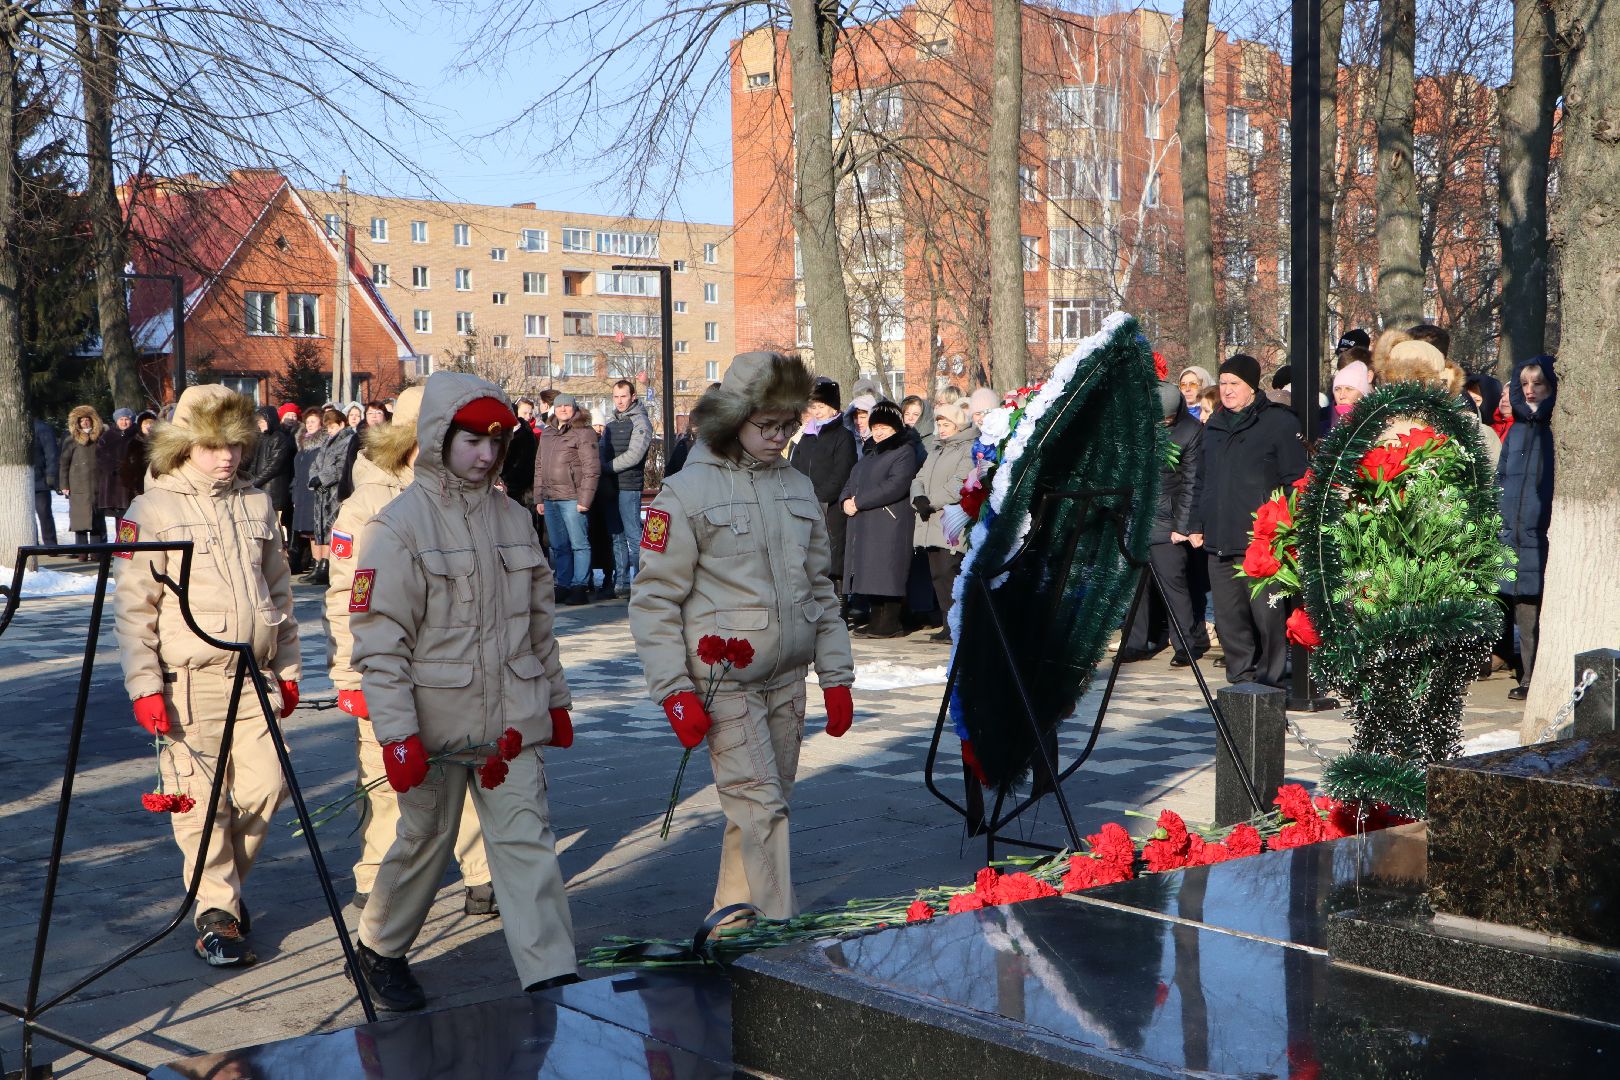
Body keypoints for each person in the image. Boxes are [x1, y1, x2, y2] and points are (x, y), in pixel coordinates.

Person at [348, 371, 577, 1010]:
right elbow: (380, 642)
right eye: (471, 439)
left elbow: (538, 627)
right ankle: (380, 947)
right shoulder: (396, 526)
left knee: (527, 839)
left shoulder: (514, 518)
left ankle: (550, 972)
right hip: (435, 723)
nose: (484, 454)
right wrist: (396, 737)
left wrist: (554, 700)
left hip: (512, 718)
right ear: (439, 437)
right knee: (425, 841)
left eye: (496, 441)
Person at [628, 351, 855, 924]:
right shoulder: (684, 493)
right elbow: (654, 600)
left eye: (788, 424)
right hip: (722, 678)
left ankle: (732, 920)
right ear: (733, 419)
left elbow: (819, 588)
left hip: (787, 675)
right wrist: (674, 690)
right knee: (761, 808)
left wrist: (836, 676)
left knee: (762, 805)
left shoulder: (799, 488)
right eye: (766, 425)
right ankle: (784, 936)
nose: (779, 437)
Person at [113, 385, 300, 967]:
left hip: (254, 679)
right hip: (187, 684)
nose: (228, 457)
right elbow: (133, 609)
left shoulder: (257, 505)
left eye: (236, 445)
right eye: (214, 445)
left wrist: (289, 668)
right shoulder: (151, 511)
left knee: (267, 786)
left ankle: (222, 890)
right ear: (184, 444)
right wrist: (145, 686)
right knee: (200, 803)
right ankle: (216, 911)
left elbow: (280, 592)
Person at [323, 386, 496, 916]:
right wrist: (351, 678)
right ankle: (376, 873)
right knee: (382, 776)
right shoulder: (369, 504)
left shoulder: (479, 495)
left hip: (458, 665)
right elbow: (347, 597)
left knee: (468, 767)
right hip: (390, 667)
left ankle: (481, 872)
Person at [1188, 354, 1307, 687]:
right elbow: (1201, 478)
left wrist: (1287, 529)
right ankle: (1241, 679)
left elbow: (1295, 480)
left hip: (1262, 539)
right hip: (1219, 536)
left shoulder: (1279, 423)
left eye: (1234, 384)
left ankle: (1270, 680)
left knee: (1267, 615)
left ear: (1252, 387)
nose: (1226, 391)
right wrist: (1196, 523)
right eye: (1223, 383)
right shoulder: (1213, 424)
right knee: (1228, 618)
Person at [1120, 384, 1209, 665]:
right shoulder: (1138, 427)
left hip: (1168, 520)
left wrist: (1181, 527)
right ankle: (1135, 641)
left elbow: (1192, 484)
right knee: (1136, 585)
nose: (1163, 423)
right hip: (1137, 516)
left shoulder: (1190, 431)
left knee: (1174, 585)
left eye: (1168, 419)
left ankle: (1185, 643)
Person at [1497, 356, 1556, 702]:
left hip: (1543, 532)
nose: (1531, 391)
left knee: (1542, 606)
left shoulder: (1556, 428)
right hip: (1514, 534)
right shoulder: (1516, 430)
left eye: (1539, 384)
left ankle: (1541, 675)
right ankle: (1528, 676)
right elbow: (1501, 478)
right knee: (1523, 607)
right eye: (1525, 384)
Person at [841, 400, 922, 639]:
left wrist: (859, 501)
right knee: (871, 573)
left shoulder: (903, 451)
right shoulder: (870, 453)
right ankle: (877, 620)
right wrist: (845, 499)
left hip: (889, 522)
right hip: (868, 522)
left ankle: (889, 622)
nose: (878, 431)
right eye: (875, 426)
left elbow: (895, 485)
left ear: (896, 428)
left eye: (884, 427)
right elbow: (852, 479)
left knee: (886, 573)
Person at [910, 402, 977, 644]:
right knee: (938, 575)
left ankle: (959, 625)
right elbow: (919, 477)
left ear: (958, 424)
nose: (941, 428)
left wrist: (931, 502)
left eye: (946, 423)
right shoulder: (937, 449)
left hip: (949, 521)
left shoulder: (968, 448)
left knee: (950, 572)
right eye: (939, 423)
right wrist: (917, 497)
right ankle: (948, 625)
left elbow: (961, 482)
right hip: (930, 521)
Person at [789, 378, 858, 605]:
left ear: (833, 408)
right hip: (805, 504)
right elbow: (795, 467)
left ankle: (839, 605)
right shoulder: (806, 436)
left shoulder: (843, 437)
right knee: (808, 557)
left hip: (830, 507)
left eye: (820, 407)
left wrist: (819, 496)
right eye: (813, 407)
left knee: (833, 557)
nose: (816, 412)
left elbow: (841, 474)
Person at [533, 392, 600, 605]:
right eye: (559, 406)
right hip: (551, 497)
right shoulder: (547, 433)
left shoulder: (583, 432)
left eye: (567, 406)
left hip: (573, 497)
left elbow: (592, 468)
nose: (563, 409)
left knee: (579, 544)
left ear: (574, 408)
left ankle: (579, 585)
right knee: (558, 545)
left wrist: (585, 499)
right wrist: (539, 497)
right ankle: (563, 584)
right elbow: (540, 466)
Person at [605, 379, 654, 598]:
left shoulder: (641, 422)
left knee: (634, 536)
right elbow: (602, 449)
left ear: (633, 396)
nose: (619, 401)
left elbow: (635, 455)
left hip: (629, 485)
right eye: (616, 396)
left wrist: (606, 467)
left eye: (623, 396)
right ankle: (622, 582)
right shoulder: (611, 422)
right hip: (611, 486)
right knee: (617, 536)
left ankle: (641, 582)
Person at [307, 407, 355, 585]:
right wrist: (314, 478)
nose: (330, 431)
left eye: (333, 427)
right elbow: (316, 463)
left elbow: (341, 466)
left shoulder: (348, 440)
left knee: (334, 529)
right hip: (323, 493)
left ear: (342, 424)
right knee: (322, 530)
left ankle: (331, 566)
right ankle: (321, 564)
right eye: (328, 428)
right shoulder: (327, 442)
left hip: (336, 492)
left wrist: (322, 478)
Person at [60, 405, 106, 555]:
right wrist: (64, 485)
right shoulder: (71, 440)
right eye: (82, 420)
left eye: (88, 420)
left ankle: (97, 553)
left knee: (97, 522)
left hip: (97, 487)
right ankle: (81, 553)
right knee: (80, 522)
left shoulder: (100, 439)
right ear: (77, 423)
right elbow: (64, 464)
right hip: (78, 488)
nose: (85, 423)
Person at [249, 406, 296, 545]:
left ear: (270, 420)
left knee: (276, 524)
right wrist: (249, 478)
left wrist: (255, 481)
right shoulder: (262, 438)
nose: (260, 424)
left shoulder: (279, 438)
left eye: (263, 421)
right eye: (259, 422)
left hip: (274, 489)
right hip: (262, 487)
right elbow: (255, 461)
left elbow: (274, 466)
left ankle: (282, 552)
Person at [290, 408, 324, 575]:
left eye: (313, 421)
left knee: (318, 530)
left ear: (321, 423)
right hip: (302, 492)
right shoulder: (303, 445)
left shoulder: (321, 444)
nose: (310, 425)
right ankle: (316, 563)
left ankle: (323, 565)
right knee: (309, 532)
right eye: (308, 422)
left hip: (315, 492)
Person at [97, 407, 138, 529]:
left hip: (133, 485)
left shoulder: (136, 435)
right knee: (119, 519)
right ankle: (121, 546)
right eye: (121, 419)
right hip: (114, 486)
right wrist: (113, 466)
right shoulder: (108, 436)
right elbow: (100, 456)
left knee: (134, 517)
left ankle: (134, 546)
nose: (124, 422)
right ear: (116, 420)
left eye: (127, 419)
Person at [30, 416, 59, 547]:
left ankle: (50, 544)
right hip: (21, 480)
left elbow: (51, 453)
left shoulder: (41, 428)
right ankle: (31, 542)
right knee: (26, 516)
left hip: (40, 479)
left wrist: (51, 474)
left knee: (44, 512)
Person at [119, 410, 158, 502]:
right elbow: (126, 466)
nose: (148, 426)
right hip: (139, 487)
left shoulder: (160, 442)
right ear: (140, 426)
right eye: (145, 424)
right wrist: (132, 484)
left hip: (158, 485)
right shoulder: (134, 443)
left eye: (151, 424)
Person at [1327, 360, 1372, 431]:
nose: (1341, 396)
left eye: (1349, 389)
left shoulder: (1377, 425)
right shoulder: (1321, 430)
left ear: (1363, 393)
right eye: (1337, 389)